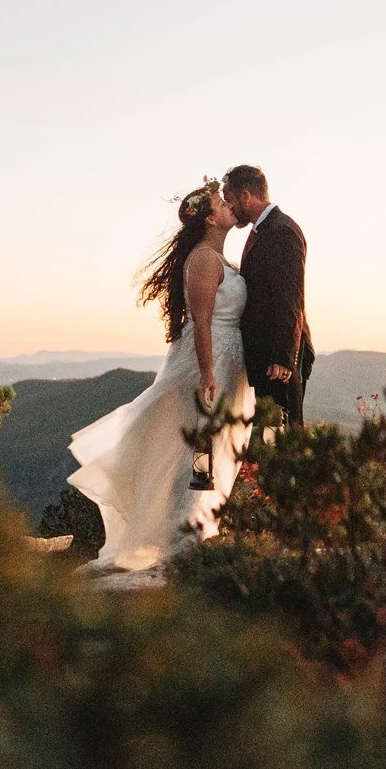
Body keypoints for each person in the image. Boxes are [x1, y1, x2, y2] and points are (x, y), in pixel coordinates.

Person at [66, 182, 255, 575]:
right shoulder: (204, 258)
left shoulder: (220, 258)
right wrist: (207, 374)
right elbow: (202, 320)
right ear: (209, 217)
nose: (228, 206)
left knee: (211, 448)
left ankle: (196, 525)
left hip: (226, 361)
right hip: (210, 363)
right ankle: (183, 537)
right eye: (221, 202)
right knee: (200, 448)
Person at [221, 165, 313, 426]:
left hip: (278, 361)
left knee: (284, 434)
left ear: (246, 196)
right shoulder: (263, 229)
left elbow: (291, 297)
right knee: (269, 434)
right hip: (264, 354)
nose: (229, 208)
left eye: (230, 201)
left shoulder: (281, 231)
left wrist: (283, 357)